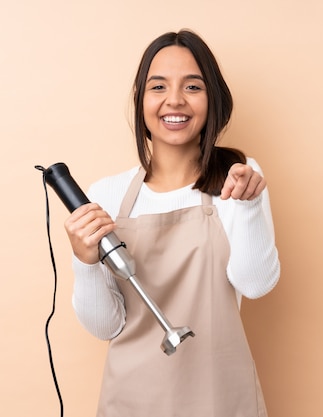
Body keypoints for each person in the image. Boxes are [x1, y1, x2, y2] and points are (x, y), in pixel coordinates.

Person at [64, 29, 280, 417]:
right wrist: (85, 260)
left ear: (212, 99)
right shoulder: (108, 195)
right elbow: (105, 326)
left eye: (192, 86)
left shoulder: (237, 180)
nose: (174, 100)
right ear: (141, 101)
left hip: (220, 398)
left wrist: (248, 206)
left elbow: (256, 283)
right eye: (158, 86)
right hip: (132, 400)